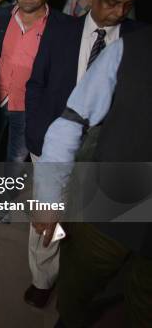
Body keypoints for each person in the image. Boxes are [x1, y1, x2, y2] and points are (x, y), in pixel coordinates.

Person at [24, 0, 145, 308]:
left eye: (128, 4)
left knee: (87, 224)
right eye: (111, 2)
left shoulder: (139, 38)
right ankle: (42, 278)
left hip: (106, 153)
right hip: (52, 143)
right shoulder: (60, 30)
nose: (119, 12)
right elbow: (36, 85)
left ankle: (75, 280)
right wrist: (36, 134)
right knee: (45, 215)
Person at [33, 28, 152, 328]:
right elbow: (72, 122)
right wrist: (48, 197)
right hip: (112, 202)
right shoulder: (129, 49)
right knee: (78, 288)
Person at [0, 0, 54, 164]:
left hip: (29, 103)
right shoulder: (2, 16)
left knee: (17, 157)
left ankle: (7, 193)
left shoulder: (57, 26)